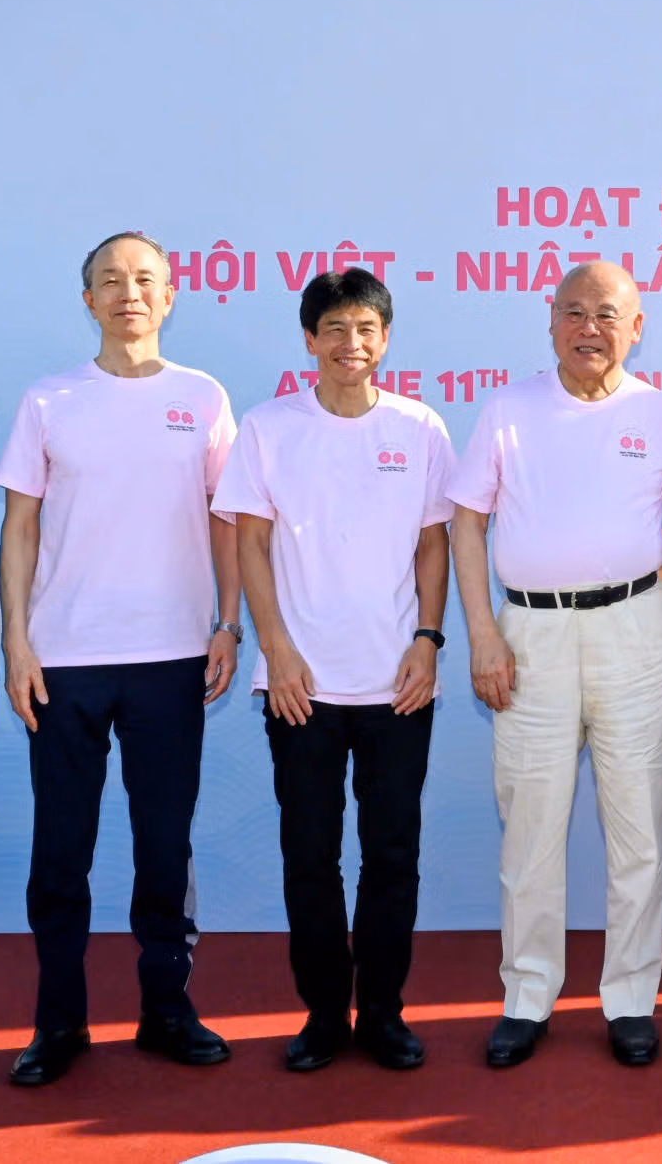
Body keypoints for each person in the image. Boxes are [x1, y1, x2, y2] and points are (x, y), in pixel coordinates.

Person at [0, 232, 242, 1087]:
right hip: (64, 661)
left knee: (164, 847)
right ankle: (58, 1021)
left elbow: (227, 518)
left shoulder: (202, 396)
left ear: (170, 296)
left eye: (144, 279)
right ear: (89, 299)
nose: (128, 292)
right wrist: (16, 638)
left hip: (173, 656)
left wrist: (229, 621)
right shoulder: (49, 399)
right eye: (110, 280)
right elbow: (20, 525)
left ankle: (167, 1007)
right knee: (60, 850)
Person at [452, 259, 662, 1069]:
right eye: (574, 311)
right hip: (530, 633)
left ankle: (630, 998)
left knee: (638, 826)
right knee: (530, 823)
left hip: (635, 632)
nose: (590, 328)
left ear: (637, 326)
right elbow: (466, 521)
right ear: (550, 319)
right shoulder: (508, 408)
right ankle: (527, 995)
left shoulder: (658, 411)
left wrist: (638, 591)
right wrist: (483, 633)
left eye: (607, 314)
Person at [213, 270, 454, 1073]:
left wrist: (428, 639)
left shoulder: (420, 427)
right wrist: (276, 648)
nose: (352, 343)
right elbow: (250, 543)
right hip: (300, 686)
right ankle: (322, 1013)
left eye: (366, 328)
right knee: (310, 855)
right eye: (336, 328)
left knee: (392, 855)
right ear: (310, 339)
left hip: (400, 684)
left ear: (385, 338)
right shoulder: (269, 427)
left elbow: (433, 544)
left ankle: (382, 1012)